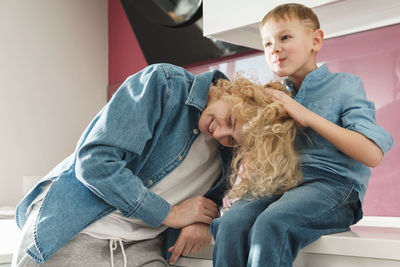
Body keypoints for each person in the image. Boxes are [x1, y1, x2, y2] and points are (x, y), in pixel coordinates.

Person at [12, 63, 299, 267]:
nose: (222, 134)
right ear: (239, 93)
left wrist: (202, 220)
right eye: (232, 121)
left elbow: (208, 204)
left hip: (140, 250)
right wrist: (171, 214)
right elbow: (95, 163)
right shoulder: (163, 84)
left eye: (233, 141)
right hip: (76, 234)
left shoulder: (225, 156)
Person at [211, 3, 394, 267]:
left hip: (333, 187)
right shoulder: (272, 95)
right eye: (266, 43)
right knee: (229, 223)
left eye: (285, 37)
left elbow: (372, 154)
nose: (274, 48)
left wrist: (306, 115)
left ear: (316, 41)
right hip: (281, 185)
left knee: (272, 223)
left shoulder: (345, 85)